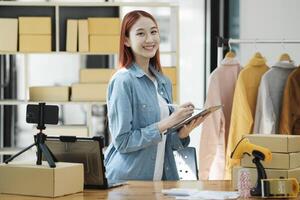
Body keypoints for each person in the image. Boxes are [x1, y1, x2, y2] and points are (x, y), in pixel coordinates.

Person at [104, 10, 207, 181]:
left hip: (161, 180)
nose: (150, 39)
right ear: (126, 41)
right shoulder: (123, 81)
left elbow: (164, 144)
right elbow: (122, 142)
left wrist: (182, 133)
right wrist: (168, 122)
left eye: (153, 32)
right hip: (128, 181)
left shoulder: (163, 81)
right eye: (141, 34)